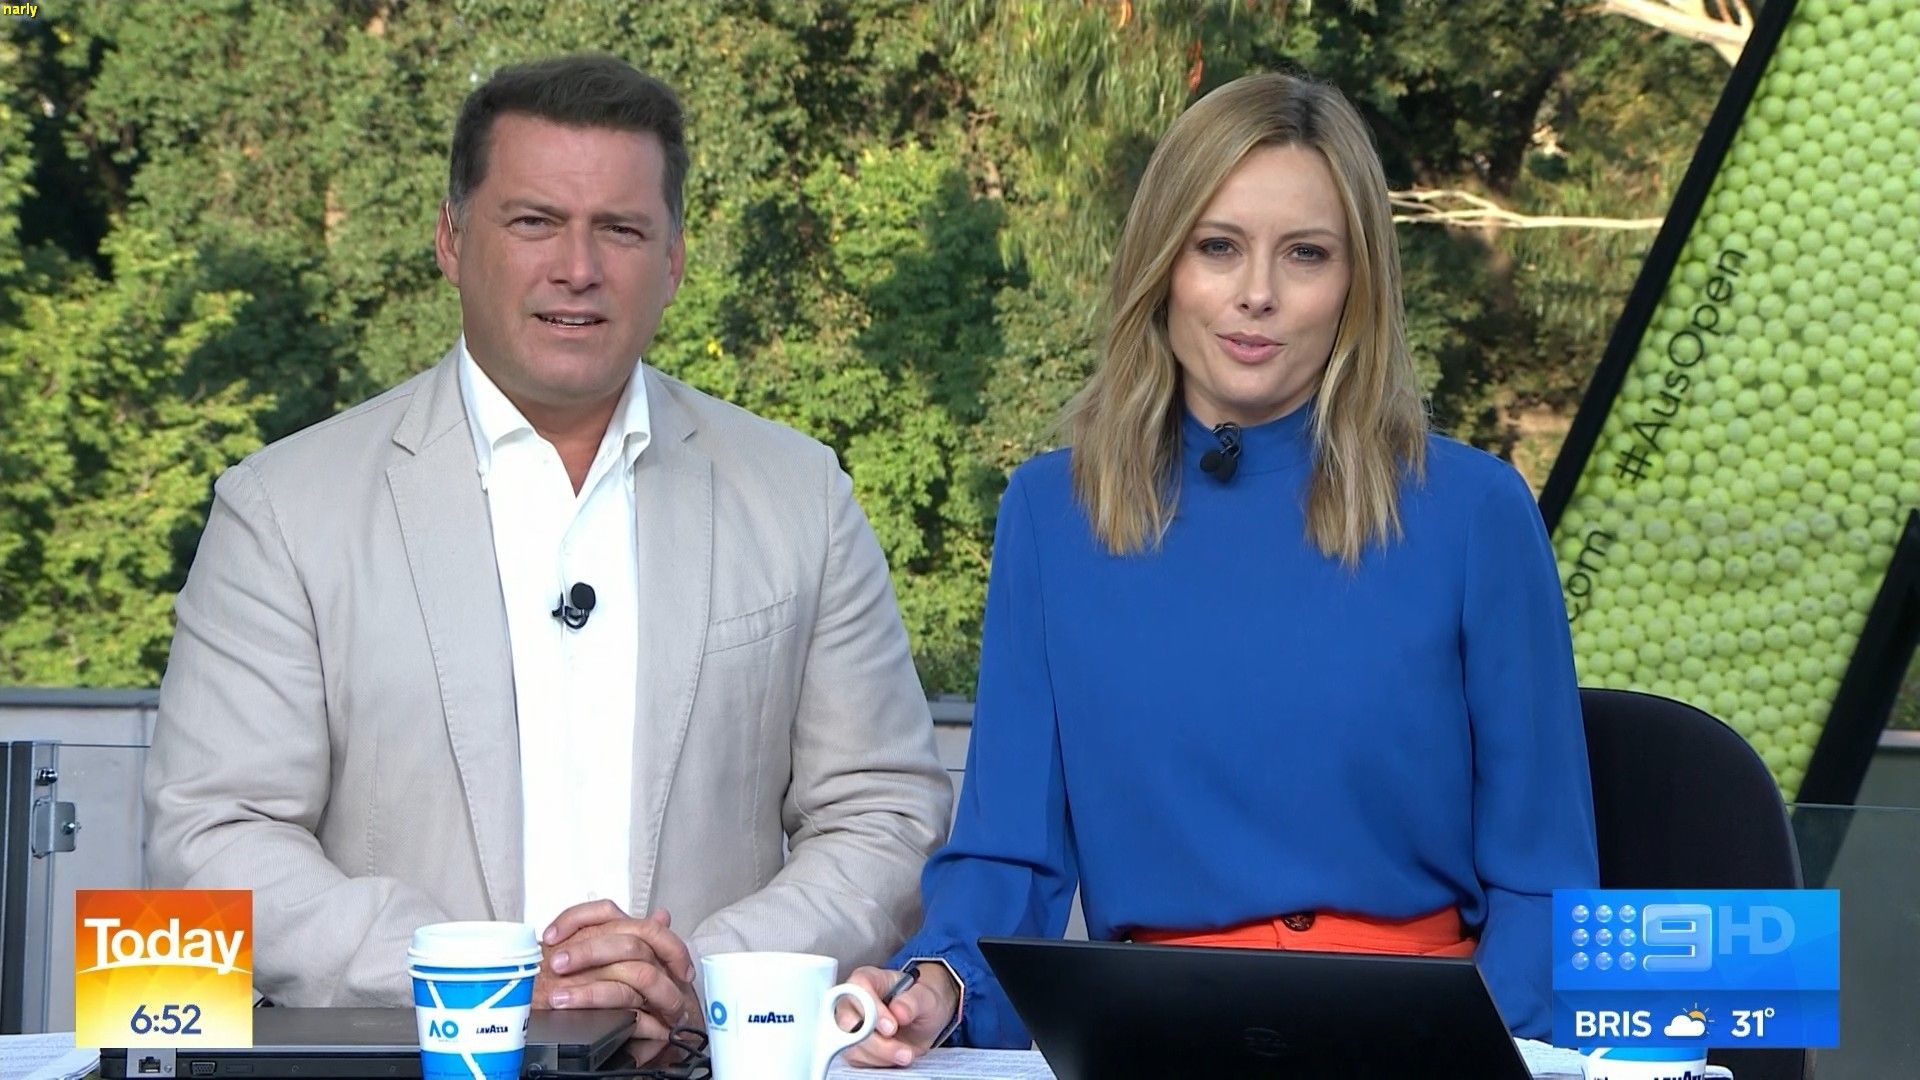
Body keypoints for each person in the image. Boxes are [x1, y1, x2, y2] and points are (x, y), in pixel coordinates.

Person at [143, 54, 952, 1040]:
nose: (578, 267)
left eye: (621, 229)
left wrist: (703, 976)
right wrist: (482, 983)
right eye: (534, 222)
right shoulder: (283, 509)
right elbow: (211, 837)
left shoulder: (800, 496)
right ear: (450, 240)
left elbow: (884, 814)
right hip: (415, 1059)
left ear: (674, 260)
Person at [839, 71, 1597, 1063]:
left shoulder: (1476, 513)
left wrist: (1476, 1055)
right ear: (1162, 263)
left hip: (1422, 1041)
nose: (1258, 293)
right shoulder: (1051, 514)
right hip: (1153, 1039)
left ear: (1357, 284)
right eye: (1218, 246)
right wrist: (935, 984)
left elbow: (1546, 888)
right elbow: (1008, 857)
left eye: (1307, 254)